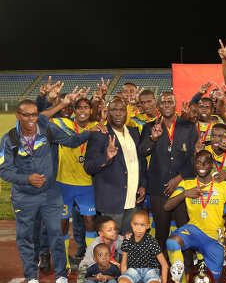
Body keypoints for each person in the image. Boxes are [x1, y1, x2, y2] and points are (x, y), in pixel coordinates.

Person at [0, 99, 104, 283]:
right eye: (26, 115)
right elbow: (4, 170)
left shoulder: (46, 130)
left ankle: (61, 276)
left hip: (50, 194)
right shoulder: (9, 139)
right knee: (26, 238)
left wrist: (89, 133)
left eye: (34, 114)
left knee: (56, 234)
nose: (31, 119)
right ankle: (31, 278)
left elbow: (71, 141)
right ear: (18, 116)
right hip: (24, 197)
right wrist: (27, 179)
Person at [164, 150, 226, 283]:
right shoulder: (187, 183)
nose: (202, 165)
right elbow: (167, 206)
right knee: (172, 242)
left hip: (215, 238)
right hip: (193, 231)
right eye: (198, 162)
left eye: (206, 162)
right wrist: (185, 194)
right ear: (194, 164)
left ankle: (208, 277)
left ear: (212, 165)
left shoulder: (224, 186)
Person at [138, 92, 198, 256]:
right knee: (161, 232)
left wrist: (179, 178)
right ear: (158, 106)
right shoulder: (149, 127)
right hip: (159, 188)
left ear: (175, 104)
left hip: (182, 186)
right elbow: (142, 152)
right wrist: (153, 139)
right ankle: (160, 267)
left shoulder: (189, 126)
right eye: (162, 102)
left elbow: (194, 157)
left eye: (169, 101)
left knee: (184, 230)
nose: (166, 105)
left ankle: (187, 268)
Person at [84, 97, 147, 234]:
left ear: (127, 112)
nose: (118, 113)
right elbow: (88, 167)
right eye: (114, 110)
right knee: (110, 245)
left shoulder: (134, 133)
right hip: (111, 203)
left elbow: (140, 161)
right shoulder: (100, 134)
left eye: (121, 110)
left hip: (133, 200)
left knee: (128, 244)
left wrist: (142, 184)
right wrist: (106, 157)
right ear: (108, 112)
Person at [52, 98, 99, 272]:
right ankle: (63, 262)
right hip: (63, 183)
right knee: (62, 223)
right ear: (73, 110)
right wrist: (50, 100)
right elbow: (42, 117)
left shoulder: (96, 126)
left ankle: (91, 260)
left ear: (90, 110)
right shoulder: (63, 124)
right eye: (78, 107)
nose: (82, 110)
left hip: (87, 184)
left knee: (90, 222)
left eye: (86, 107)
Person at [116, 211, 169, 283]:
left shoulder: (152, 241)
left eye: (142, 225)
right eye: (135, 224)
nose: (138, 228)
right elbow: (123, 263)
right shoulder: (127, 240)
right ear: (131, 224)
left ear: (148, 226)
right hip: (133, 271)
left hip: (150, 271)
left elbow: (164, 265)